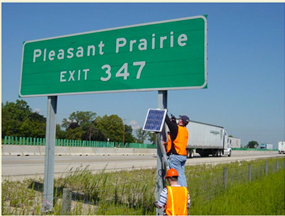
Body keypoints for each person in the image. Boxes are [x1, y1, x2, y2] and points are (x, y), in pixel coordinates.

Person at [164, 114, 190, 187]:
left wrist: (164, 113)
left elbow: (168, 123)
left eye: (180, 119)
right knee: (181, 175)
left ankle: (181, 192)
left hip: (176, 156)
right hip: (182, 156)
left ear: (181, 121)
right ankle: (184, 190)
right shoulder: (185, 131)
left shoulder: (176, 128)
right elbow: (176, 137)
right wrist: (174, 122)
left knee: (177, 176)